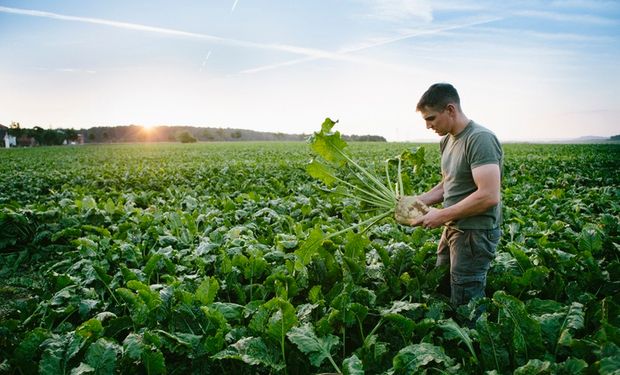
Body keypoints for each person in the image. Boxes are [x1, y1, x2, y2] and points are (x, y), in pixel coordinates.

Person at [396, 83, 503, 308]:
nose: (428, 126)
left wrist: (442, 215)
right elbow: (448, 184)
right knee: (442, 284)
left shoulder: (479, 139)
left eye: (431, 118)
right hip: (453, 226)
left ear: (450, 110)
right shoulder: (447, 140)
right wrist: (416, 201)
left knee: (466, 299)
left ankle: (471, 339)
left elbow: (489, 195)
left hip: (474, 232)